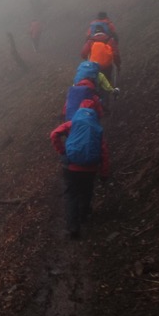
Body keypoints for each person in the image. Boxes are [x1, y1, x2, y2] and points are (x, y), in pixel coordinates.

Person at [50, 100, 110, 239]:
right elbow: (104, 152)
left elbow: (54, 134)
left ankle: (73, 227)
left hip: (71, 167)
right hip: (90, 168)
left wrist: (62, 150)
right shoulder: (97, 129)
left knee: (71, 195)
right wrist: (104, 173)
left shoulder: (72, 124)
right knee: (86, 191)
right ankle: (84, 216)